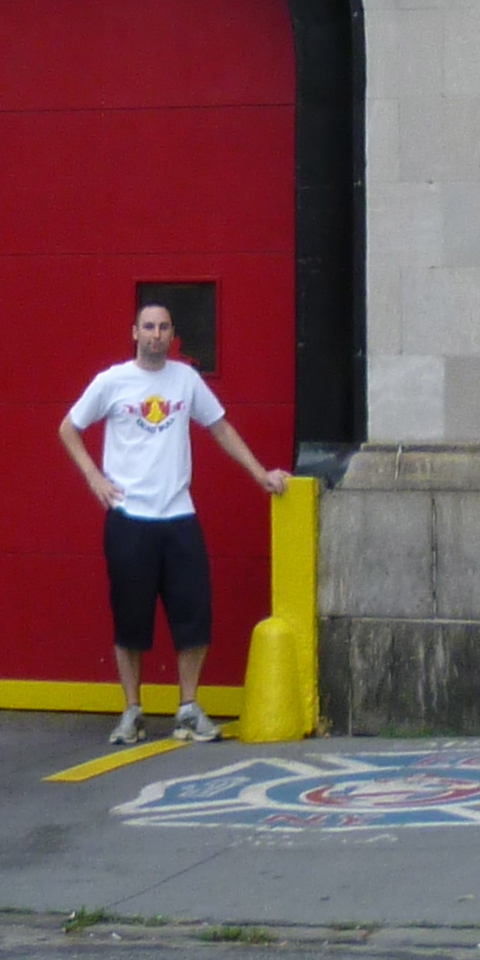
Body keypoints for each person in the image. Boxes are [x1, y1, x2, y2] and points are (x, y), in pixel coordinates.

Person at [59, 298, 289, 746]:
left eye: (163, 327)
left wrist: (260, 473)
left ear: (172, 334)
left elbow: (220, 427)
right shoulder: (112, 381)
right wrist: (93, 477)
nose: (156, 335)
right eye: (148, 327)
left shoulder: (186, 380)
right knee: (130, 622)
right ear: (135, 333)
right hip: (129, 518)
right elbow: (69, 427)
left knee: (193, 617)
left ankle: (188, 708)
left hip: (179, 516)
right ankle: (132, 711)